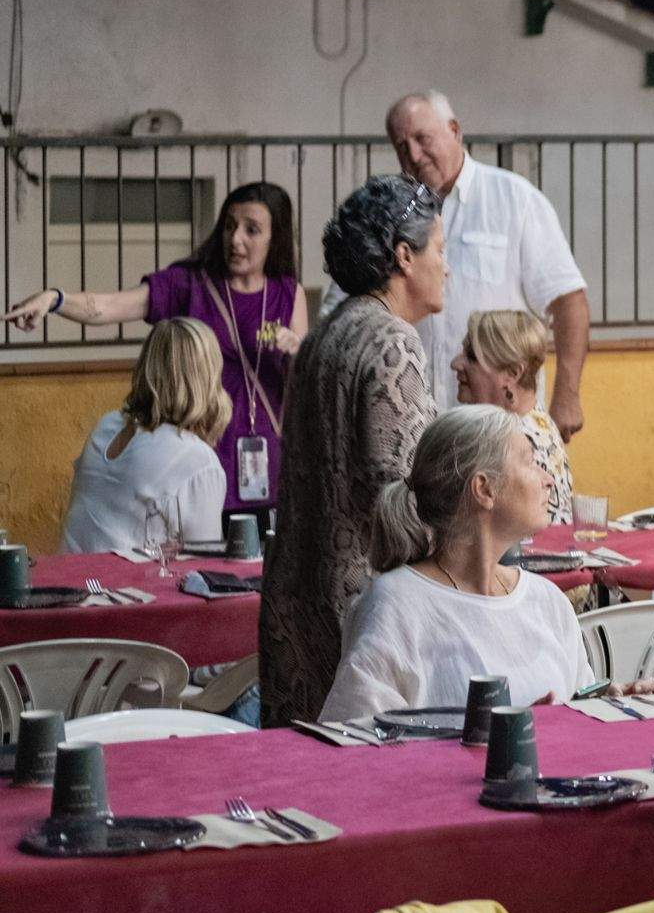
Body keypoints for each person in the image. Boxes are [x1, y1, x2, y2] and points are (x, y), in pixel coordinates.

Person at [321, 405, 653, 721]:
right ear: (484, 489)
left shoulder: (547, 601)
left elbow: (574, 707)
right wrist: (497, 734)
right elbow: (355, 739)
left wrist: (601, 705)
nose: (548, 479)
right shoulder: (396, 606)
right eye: (530, 462)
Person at [8, 182, 308, 520]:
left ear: (275, 238)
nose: (235, 238)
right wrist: (54, 299)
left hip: (269, 469)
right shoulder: (188, 283)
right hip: (199, 463)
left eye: (251, 230)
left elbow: (303, 385)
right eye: (229, 226)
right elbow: (108, 306)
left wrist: (299, 352)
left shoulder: (289, 293)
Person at [262, 176, 443, 728]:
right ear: (404, 256)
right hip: (359, 612)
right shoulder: (393, 341)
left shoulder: (325, 334)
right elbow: (406, 498)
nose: (447, 267)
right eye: (440, 251)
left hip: (294, 598)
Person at [328, 91, 588, 435]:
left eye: (422, 138)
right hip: (414, 424)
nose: (414, 155)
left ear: (454, 130)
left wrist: (567, 395)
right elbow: (339, 309)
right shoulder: (387, 215)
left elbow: (568, 301)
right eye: (402, 146)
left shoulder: (515, 200)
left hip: (500, 425)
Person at [59, 318, 230, 554]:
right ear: (207, 379)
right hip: (123, 578)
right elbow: (202, 563)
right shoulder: (199, 461)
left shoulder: (107, 425)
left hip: (69, 574)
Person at [453, 310, 573, 526]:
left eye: (471, 357)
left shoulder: (515, 441)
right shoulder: (535, 421)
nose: (456, 363)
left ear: (512, 373)